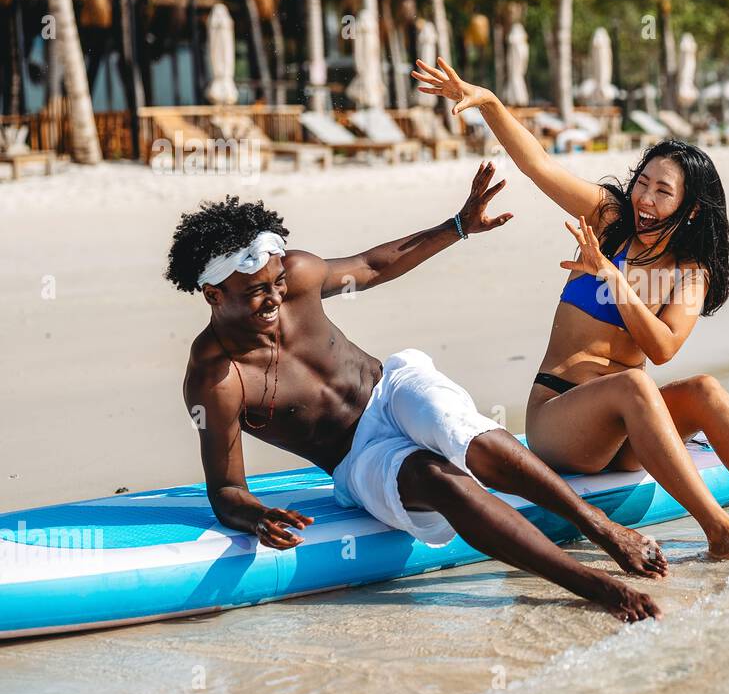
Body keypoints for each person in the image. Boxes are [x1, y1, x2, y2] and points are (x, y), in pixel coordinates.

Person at [168, 167, 665, 623]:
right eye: (256, 292)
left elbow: (372, 265)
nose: (275, 297)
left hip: (391, 388)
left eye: (276, 283)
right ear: (214, 295)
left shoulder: (296, 274)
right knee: (438, 478)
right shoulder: (216, 380)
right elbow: (227, 490)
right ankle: (593, 586)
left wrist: (459, 225)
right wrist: (256, 516)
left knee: (455, 428)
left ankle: (601, 527)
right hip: (356, 457)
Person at [411, 57, 729, 562]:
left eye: (662, 191)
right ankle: (720, 532)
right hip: (560, 423)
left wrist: (613, 278)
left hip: (629, 431)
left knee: (704, 390)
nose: (645, 198)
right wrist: (492, 104)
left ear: (690, 208)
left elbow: (663, 348)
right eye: (643, 182)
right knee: (634, 384)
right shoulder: (609, 219)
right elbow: (539, 165)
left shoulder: (691, 270)